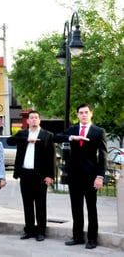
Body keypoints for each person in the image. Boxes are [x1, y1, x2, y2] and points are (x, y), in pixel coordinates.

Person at [54, 104, 107, 249]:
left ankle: (92, 239)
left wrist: (100, 176)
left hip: (91, 176)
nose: (83, 115)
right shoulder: (73, 129)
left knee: (91, 208)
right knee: (76, 208)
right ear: (77, 115)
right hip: (74, 175)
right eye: (81, 113)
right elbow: (56, 137)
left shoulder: (98, 131)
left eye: (86, 112)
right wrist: (71, 137)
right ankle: (77, 237)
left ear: (91, 114)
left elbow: (103, 156)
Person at [7, 110, 56, 242]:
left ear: (39, 120)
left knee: (40, 204)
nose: (34, 120)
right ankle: (28, 230)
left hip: (40, 176)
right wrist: (26, 139)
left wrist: (50, 175)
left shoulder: (47, 135)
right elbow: (10, 141)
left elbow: (52, 158)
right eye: (31, 118)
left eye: (36, 118)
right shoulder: (22, 134)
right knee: (27, 204)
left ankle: (41, 231)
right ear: (27, 121)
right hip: (25, 174)